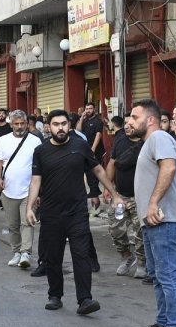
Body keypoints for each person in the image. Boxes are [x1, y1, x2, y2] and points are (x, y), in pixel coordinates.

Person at [26, 110, 117, 315]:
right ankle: (55, 295)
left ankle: (85, 299)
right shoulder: (41, 151)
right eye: (56, 124)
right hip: (51, 212)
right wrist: (30, 206)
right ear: (49, 127)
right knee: (53, 256)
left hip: (77, 211)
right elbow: (36, 180)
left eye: (64, 124)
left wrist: (114, 193)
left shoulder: (80, 146)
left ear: (69, 125)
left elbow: (98, 170)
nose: (61, 128)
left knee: (81, 254)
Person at [131, 99, 176, 327]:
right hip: (154, 222)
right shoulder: (150, 143)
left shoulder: (159, 138)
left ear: (151, 119)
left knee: (168, 275)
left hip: (165, 220)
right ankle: (164, 322)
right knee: (158, 275)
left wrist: (153, 203)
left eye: (135, 117)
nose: (130, 122)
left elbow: (169, 168)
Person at [0, 110, 38, 268]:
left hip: (29, 191)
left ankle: (26, 253)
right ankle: (17, 252)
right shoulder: (3, 140)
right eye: (16, 124)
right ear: (11, 124)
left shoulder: (35, 141)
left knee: (27, 222)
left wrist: (39, 191)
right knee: (12, 225)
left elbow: (40, 167)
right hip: (8, 190)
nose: (19, 127)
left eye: (22, 124)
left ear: (27, 124)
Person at [108, 113, 145, 279]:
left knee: (141, 232)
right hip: (120, 196)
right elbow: (112, 163)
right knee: (116, 229)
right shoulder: (120, 140)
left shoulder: (147, 143)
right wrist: (108, 187)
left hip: (140, 197)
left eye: (132, 124)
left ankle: (142, 263)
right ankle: (126, 257)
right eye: (127, 124)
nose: (128, 127)